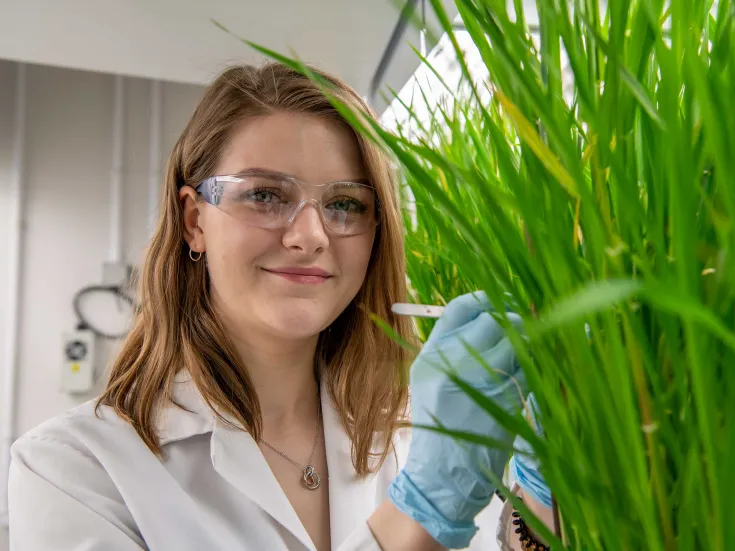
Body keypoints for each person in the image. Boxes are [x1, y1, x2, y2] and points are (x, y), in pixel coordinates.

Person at [7, 63, 552, 550]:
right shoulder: (74, 468)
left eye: (344, 204)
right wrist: (420, 519)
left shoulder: (417, 436)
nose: (310, 236)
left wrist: (543, 493)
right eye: (265, 195)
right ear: (195, 220)